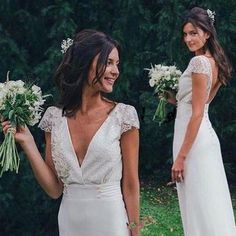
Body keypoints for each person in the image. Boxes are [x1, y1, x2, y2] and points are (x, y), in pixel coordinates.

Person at [1, 29, 140, 236]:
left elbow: (130, 185)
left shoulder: (124, 116)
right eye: (108, 62)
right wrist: (28, 142)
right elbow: (54, 189)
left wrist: (135, 231)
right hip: (70, 223)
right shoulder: (54, 118)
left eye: (116, 64)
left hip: (111, 222)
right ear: (85, 63)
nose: (115, 71)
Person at [169, 7, 236, 236]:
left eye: (193, 33)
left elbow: (197, 113)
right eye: (185, 34)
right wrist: (173, 98)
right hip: (203, 137)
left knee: (199, 204)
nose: (188, 38)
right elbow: (203, 103)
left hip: (194, 141)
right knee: (209, 203)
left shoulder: (199, 64)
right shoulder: (213, 61)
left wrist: (181, 157)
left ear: (207, 33)